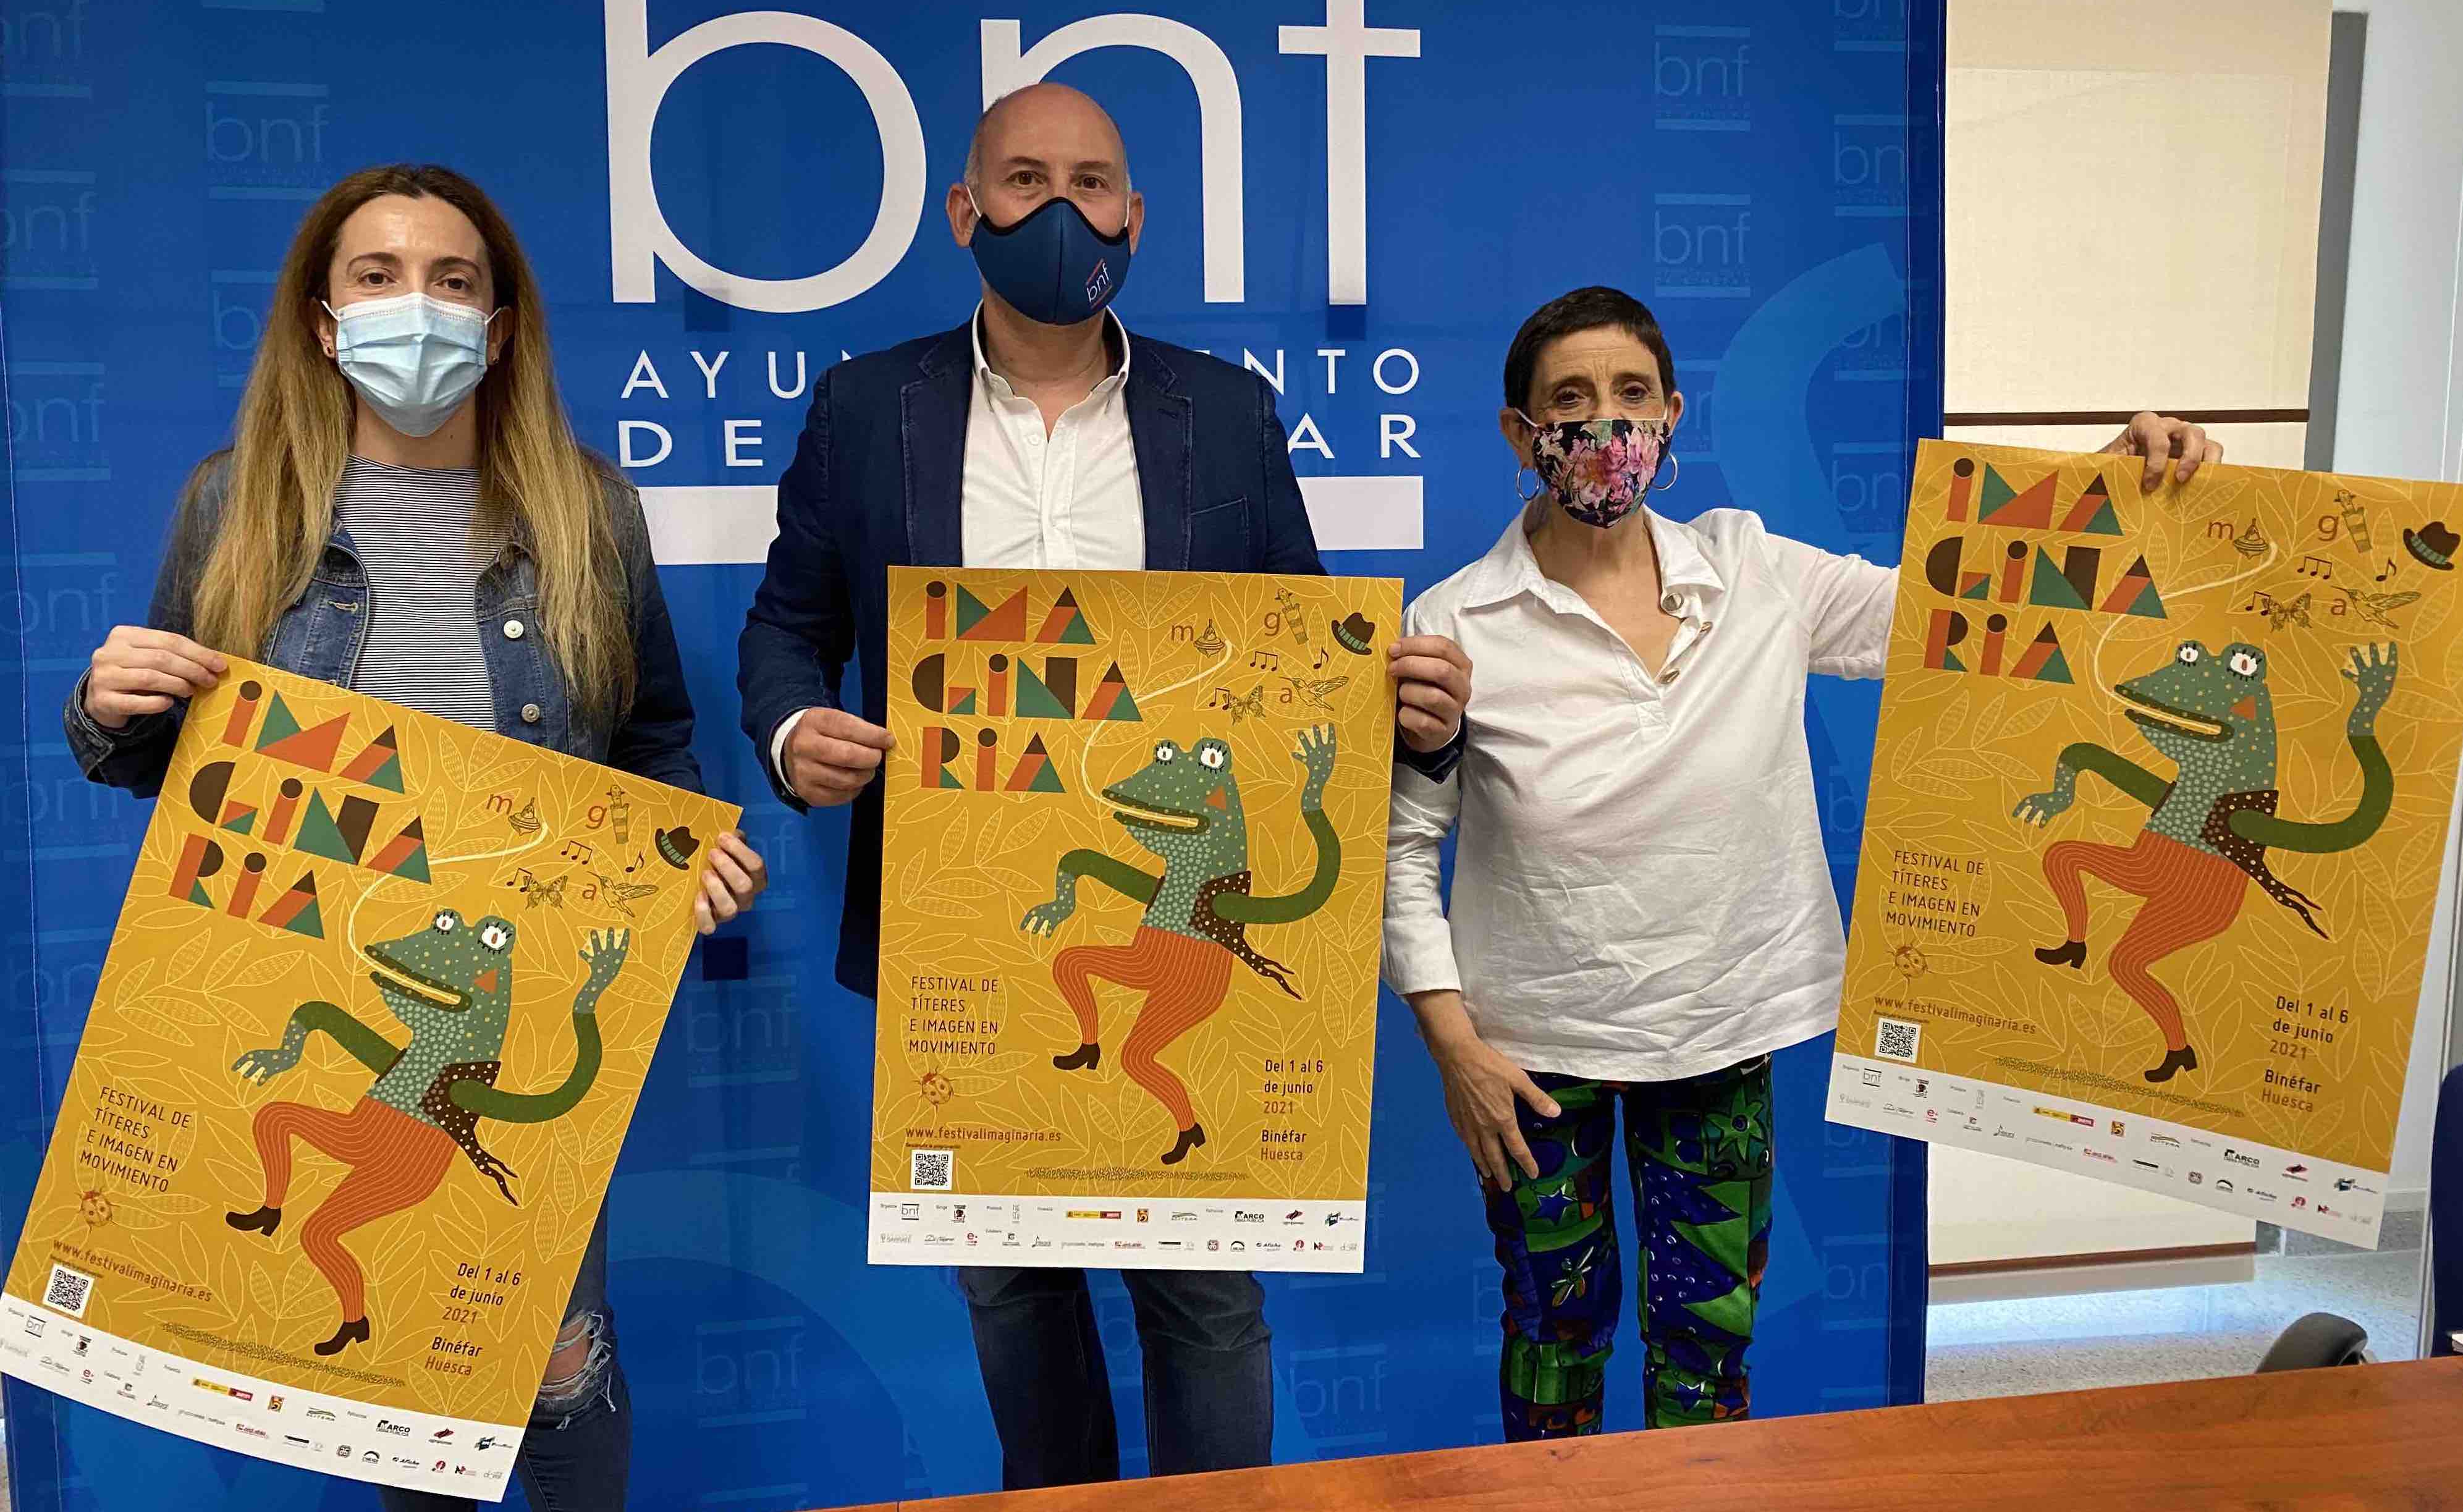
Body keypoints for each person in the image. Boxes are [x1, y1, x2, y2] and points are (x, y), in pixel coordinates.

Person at [737, 82, 1472, 1487]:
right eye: (1025, 180)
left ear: (1135, 214)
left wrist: (1410, 719)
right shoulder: (866, 406)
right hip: (956, 918)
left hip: (1179, 919)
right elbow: (788, 624)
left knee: (1206, 1290)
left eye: (1090, 182)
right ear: (966, 212)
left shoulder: (1227, 412)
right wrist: (792, 733)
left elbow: (1297, 654)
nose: (1059, 209)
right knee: (1010, 1290)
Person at [1382, 284, 2218, 1440]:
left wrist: (2112, 479)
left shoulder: (1753, 570)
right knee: (1552, 1338)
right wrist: (1453, 1047)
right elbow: (1401, 846)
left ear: (1671, 415)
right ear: (1520, 434)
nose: (1603, 424)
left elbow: (1958, 594)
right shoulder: (1454, 623)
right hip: (1531, 1055)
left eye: (1631, 394)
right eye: (1568, 401)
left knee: (1706, 1351)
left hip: (1722, 1030)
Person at [66, 163, 768, 1512]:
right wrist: (104, 703)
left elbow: (654, 741)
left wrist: (683, 855)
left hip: (513, 1015)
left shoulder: (587, 512)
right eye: (378, 276)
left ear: (498, 327)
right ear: (323, 320)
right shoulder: (234, 505)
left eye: (453, 280)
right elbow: (166, 761)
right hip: (300, 973)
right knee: (395, 1363)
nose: (418, 305)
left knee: (555, 1356)